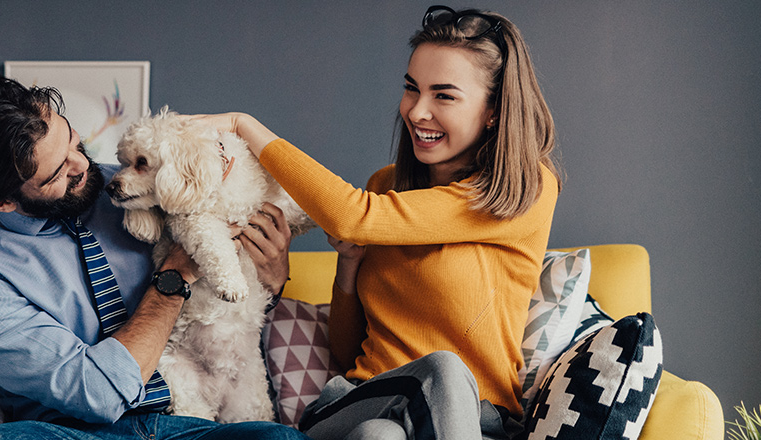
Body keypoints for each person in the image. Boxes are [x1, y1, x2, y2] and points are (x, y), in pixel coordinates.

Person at [191, 5, 560, 440]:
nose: (417, 111)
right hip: (355, 401)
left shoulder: (520, 189)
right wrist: (349, 267)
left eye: (444, 95)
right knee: (415, 391)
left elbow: (352, 216)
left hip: (477, 419)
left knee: (382, 433)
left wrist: (243, 125)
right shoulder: (386, 187)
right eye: (412, 89)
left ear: (494, 111)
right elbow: (350, 354)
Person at [0, 74, 306, 440]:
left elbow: (230, 300)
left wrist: (271, 277)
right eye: (59, 172)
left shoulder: (139, 182)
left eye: (75, 143)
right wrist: (175, 275)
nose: (83, 166)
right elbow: (98, 395)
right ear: (2, 201)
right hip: (75, 432)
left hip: (194, 424)